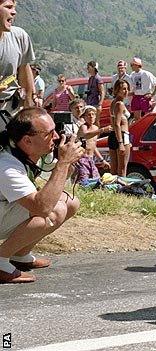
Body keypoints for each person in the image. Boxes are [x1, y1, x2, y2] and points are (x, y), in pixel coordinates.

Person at [0, 107, 83, 283]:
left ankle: (19, 255)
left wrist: (67, 162)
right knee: (50, 213)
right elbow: (42, 207)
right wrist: (63, 162)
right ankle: (0, 262)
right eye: (49, 133)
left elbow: (53, 188)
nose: (56, 137)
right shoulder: (6, 165)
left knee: (70, 202)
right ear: (27, 141)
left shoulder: (25, 153)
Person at [0, 0, 37, 129]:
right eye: (8, 7)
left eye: (14, 8)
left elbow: (24, 69)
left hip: (11, 109)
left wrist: (29, 101)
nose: (14, 12)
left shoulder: (19, 36)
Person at [75, 106, 109, 183]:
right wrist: (102, 130)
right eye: (89, 115)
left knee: (96, 179)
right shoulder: (83, 127)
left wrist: (102, 160)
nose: (91, 117)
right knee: (83, 179)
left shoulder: (96, 128)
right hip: (81, 158)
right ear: (84, 117)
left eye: (93, 114)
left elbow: (94, 146)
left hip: (91, 158)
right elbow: (86, 135)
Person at [109, 79, 132, 176]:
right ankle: (121, 190)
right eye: (123, 89)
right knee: (122, 169)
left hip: (113, 135)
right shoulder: (120, 104)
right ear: (117, 90)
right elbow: (117, 124)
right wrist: (121, 143)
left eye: (127, 89)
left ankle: (114, 190)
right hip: (121, 136)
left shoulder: (113, 102)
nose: (126, 91)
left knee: (114, 169)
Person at [85, 61, 105, 125]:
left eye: (88, 67)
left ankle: (97, 134)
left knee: (96, 121)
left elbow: (102, 92)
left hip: (96, 103)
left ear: (93, 68)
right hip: (90, 102)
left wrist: (100, 104)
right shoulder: (90, 78)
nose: (87, 68)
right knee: (91, 122)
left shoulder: (98, 79)